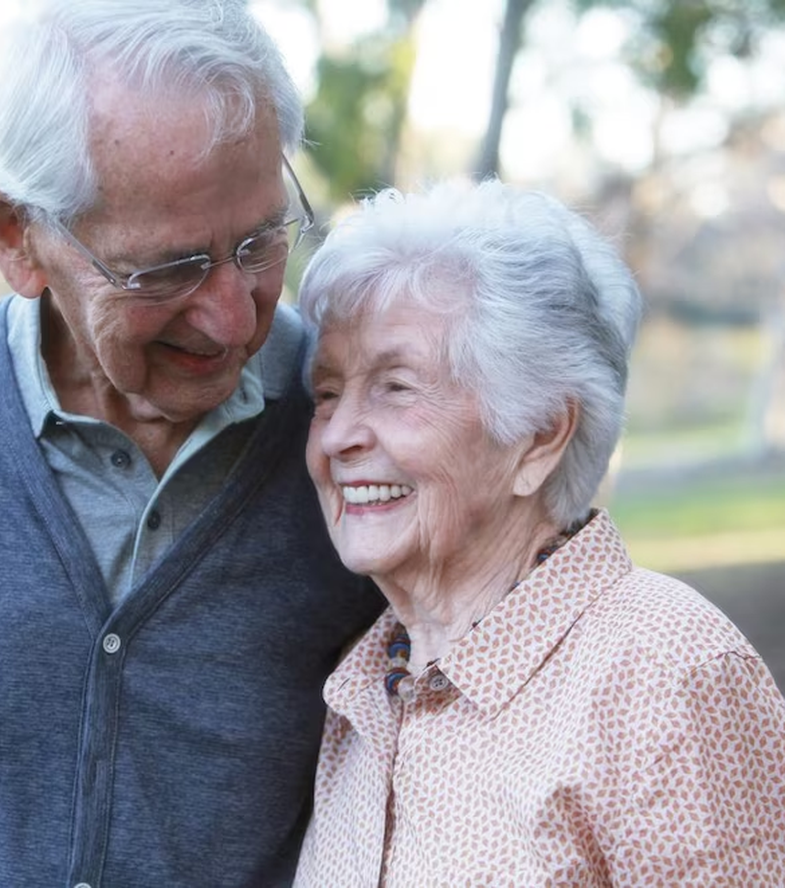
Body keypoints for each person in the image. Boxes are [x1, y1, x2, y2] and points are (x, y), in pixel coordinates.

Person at [0, 1, 384, 885]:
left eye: (259, 240)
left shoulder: (366, 432)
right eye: (166, 268)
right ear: (15, 236)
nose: (233, 313)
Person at [291, 180, 785, 885]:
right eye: (329, 392)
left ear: (538, 437)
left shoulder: (664, 674)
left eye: (395, 386)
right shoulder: (365, 685)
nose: (336, 436)